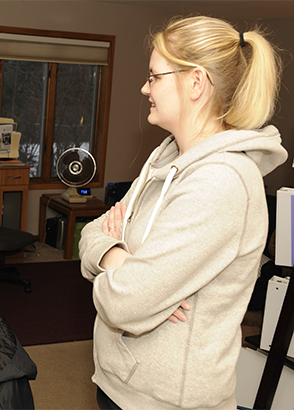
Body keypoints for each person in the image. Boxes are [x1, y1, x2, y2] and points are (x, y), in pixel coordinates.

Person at [79, 16, 288, 410]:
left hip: (166, 400)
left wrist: (132, 281)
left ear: (195, 83)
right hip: (121, 381)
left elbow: (124, 303)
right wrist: (118, 258)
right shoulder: (168, 159)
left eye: (154, 77)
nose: (145, 88)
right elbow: (92, 233)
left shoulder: (220, 183)